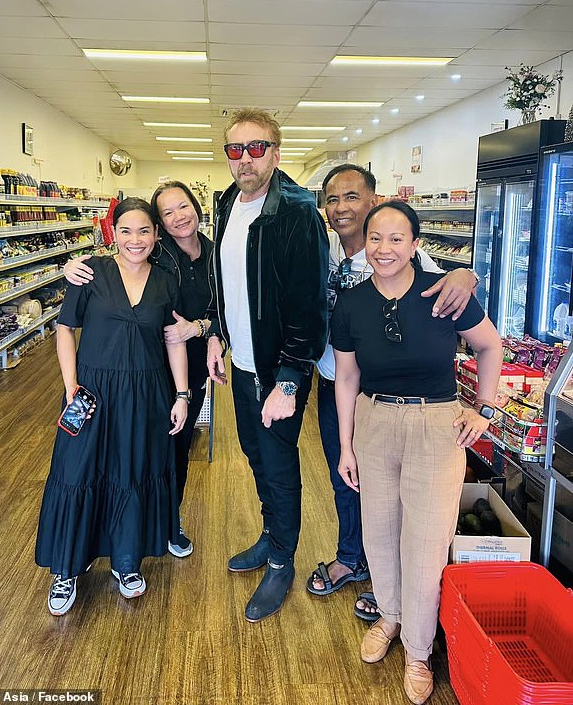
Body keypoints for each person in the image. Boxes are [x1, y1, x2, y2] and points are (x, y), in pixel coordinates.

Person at [331, 200, 502, 704]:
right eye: (376, 238)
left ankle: (419, 649)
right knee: (379, 531)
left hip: (437, 424)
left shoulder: (445, 294)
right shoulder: (351, 304)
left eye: (396, 239)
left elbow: (490, 346)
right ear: (366, 243)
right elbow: (346, 376)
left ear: (415, 245)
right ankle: (390, 615)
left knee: (426, 542)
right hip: (374, 420)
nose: (384, 249)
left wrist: (485, 408)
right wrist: (346, 445)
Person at [306, 164, 479, 625]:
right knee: (350, 480)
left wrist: (467, 273)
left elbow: (455, 289)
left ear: (373, 200)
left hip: (413, 399)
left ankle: (406, 612)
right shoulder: (320, 247)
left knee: (414, 513)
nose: (341, 207)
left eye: (352, 197)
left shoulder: (404, 257)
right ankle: (356, 561)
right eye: (332, 199)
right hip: (340, 383)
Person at [36, 197, 189, 616]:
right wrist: (71, 387)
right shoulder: (90, 273)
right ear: (112, 234)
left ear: (156, 236)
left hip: (146, 393)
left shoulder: (164, 281)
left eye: (144, 231)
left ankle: (125, 562)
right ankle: (66, 568)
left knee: (130, 472)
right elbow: (65, 329)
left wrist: (182, 394)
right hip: (92, 392)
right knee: (76, 472)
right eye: (126, 231)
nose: (134, 240)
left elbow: (174, 340)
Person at [206, 107, 329, 622]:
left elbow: (309, 306)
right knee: (255, 455)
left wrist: (290, 379)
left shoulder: (297, 212)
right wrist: (216, 331)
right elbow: (224, 281)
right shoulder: (227, 204)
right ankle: (270, 534)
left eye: (256, 148)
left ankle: (282, 560)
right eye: (235, 149)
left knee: (278, 466)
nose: (245, 159)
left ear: (276, 153)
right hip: (242, 364)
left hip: (280, 370)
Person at [63, 182, 214, 558]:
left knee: (163, 456)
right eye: (167, 211)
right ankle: (76, 559)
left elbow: (224, 313)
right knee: (90, 464)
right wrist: (68, 265)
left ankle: (160, 528)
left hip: (168, 377)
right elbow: (69, 322)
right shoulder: (145, 259)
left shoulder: (216, 254)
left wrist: (203, 332)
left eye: (184, 206)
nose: (179, 216)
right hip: (108, 378)